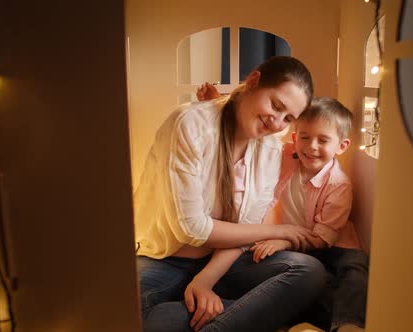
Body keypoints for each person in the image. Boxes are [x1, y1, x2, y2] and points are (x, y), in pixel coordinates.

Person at [134, 56, 327, 332]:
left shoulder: (270, 149)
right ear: (253, 82)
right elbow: (193, 228)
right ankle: (243, 315)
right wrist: (281, 230)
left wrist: (205, 281)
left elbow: (244, 226)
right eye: (276, 105)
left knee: (309, 271)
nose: (277, 123)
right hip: (162, 259)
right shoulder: (189, 123)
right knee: (133, 317)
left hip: (224, 262)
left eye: (288, 118)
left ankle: (221, 318)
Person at [251, 97, 369, 332]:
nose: (311, 146)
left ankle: (348, 324)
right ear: (294, 139)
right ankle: (304, 317)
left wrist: (284, 241)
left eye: (323, 140)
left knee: (355, 267)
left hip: (332, 245)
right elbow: (256, 140)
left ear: (342, 146)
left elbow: (322, 238)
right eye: (304, 137)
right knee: (293, 276)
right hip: (292, 244)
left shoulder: (338, 184)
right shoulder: (286, 157)